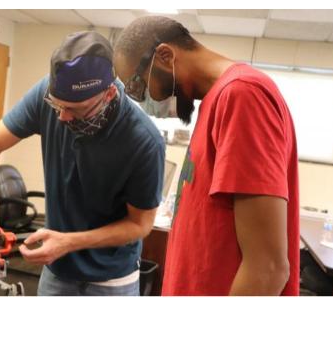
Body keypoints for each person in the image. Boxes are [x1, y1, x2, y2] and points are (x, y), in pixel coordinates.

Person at [0, 30, 165, 296]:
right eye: (57, 106)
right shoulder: (49, 93)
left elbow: (140, 225)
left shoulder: (144, 141)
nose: (63, 117)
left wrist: (69, 242)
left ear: (109, 94)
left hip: (112, 280)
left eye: (76, 110)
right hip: (56, 271)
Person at [113, 16, 299, 296]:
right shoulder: (216, 101)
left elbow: (268, 268)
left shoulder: (243, 95)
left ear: (165, 56)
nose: (145, 99)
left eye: (138, 86)